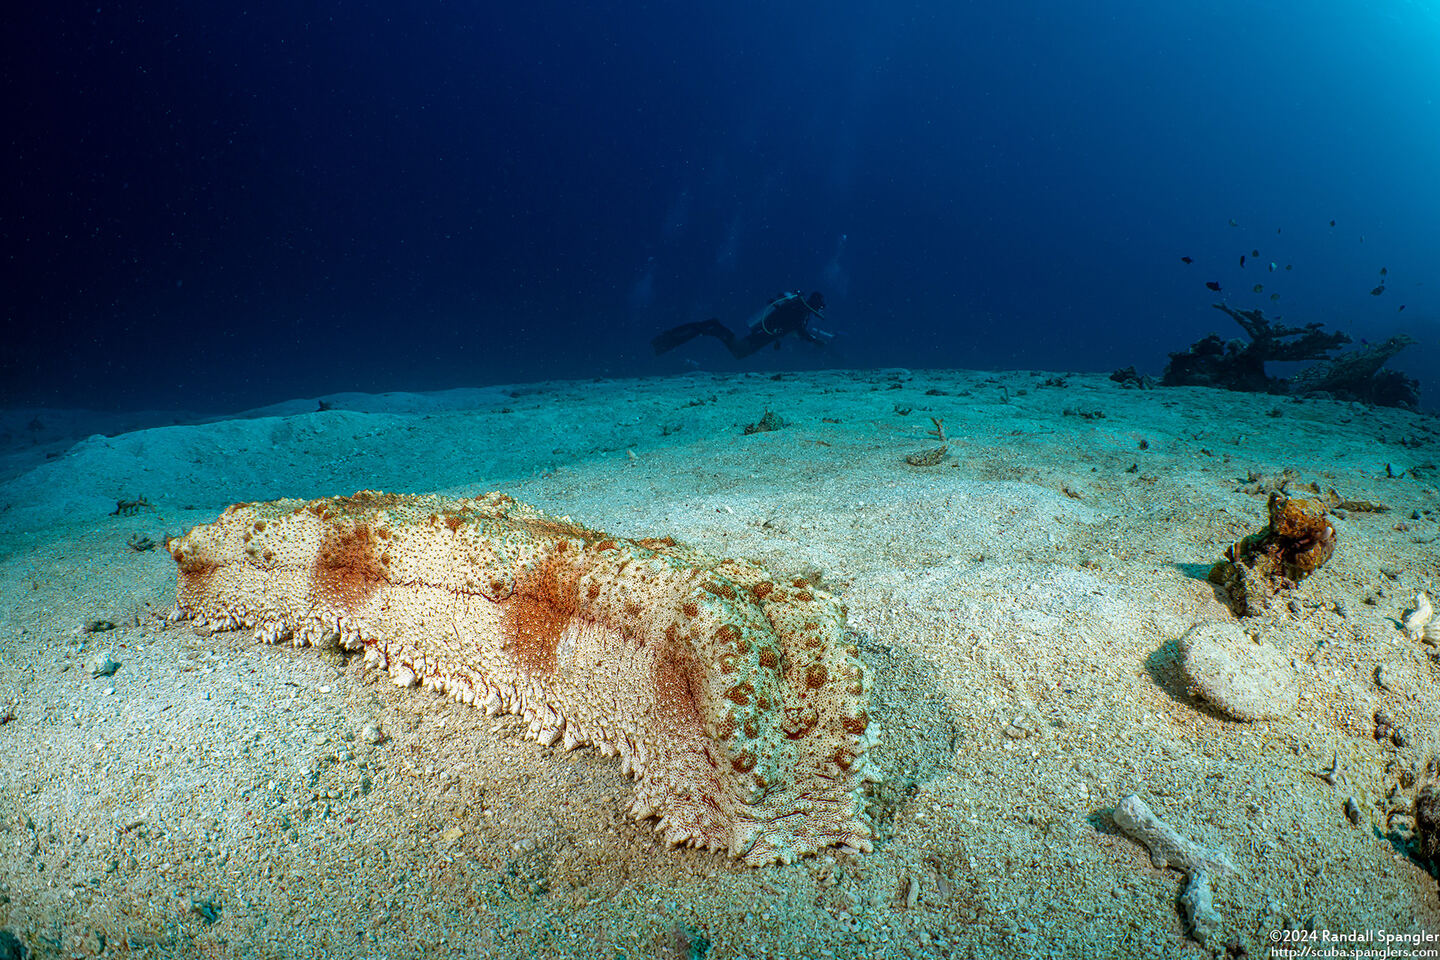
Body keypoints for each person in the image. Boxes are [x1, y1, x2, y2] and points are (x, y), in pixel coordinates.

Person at [651, 291, 831, 359]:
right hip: (762, 335)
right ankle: (714, 327)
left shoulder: (797, 308)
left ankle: (710, 328)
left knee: (739, 351)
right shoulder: (799, 311)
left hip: (765, 334)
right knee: (739, 350)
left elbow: (793, 330)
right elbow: (799, 330)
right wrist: (815, 341)